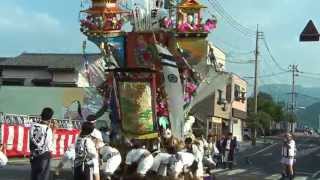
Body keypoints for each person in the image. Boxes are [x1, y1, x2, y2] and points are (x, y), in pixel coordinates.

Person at [29, 107, 54, 180]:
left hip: (33, 154)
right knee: (43, 176)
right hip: (44, 156)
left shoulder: (33, 126)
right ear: (50, 118)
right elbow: (49, 146)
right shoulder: (47, 129)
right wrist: (54, 131)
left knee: (34, 176)